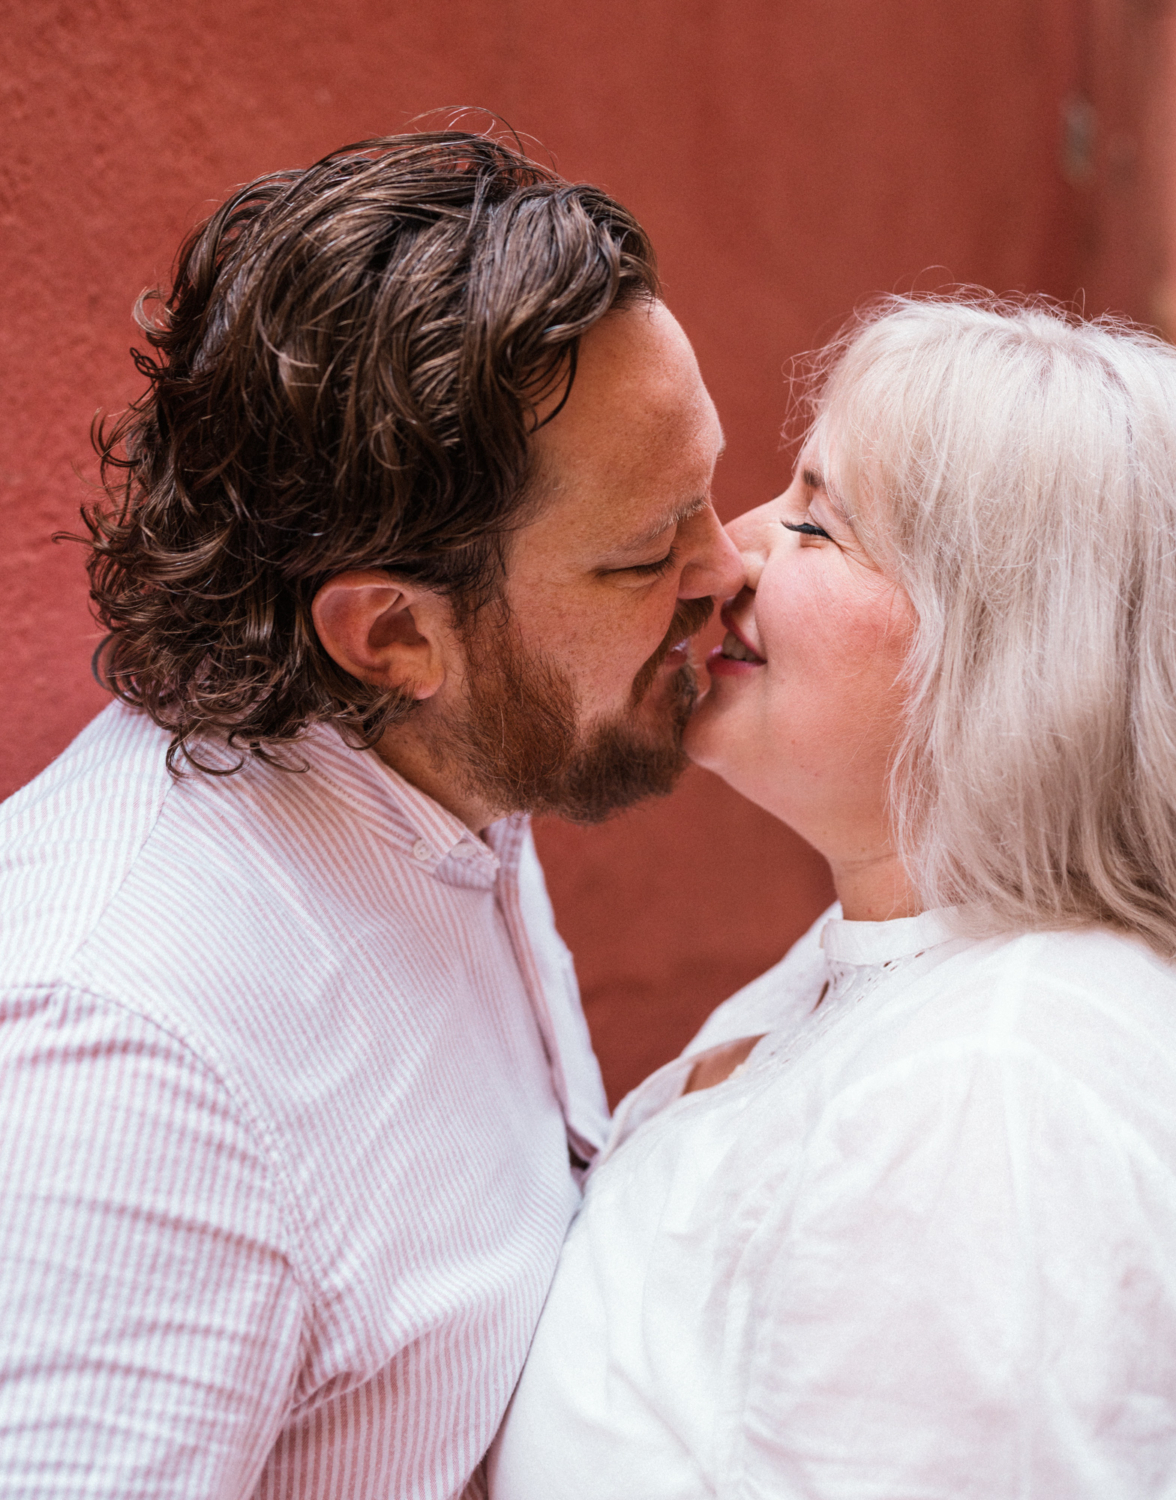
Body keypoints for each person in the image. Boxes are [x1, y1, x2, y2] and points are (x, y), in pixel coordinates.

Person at [0, 132, 742, 1496]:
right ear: (391, 633)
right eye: (649, 551)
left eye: (707, 496)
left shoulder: (448, 758)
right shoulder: (132, 1067)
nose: (728, 572)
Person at [490, 295, 1176, 1498]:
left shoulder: (987, 1092)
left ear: (1012, 651)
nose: (732, 551)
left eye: (818, 523)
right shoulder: (914, 967)